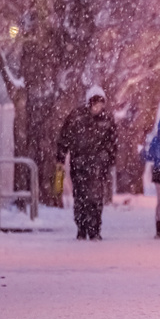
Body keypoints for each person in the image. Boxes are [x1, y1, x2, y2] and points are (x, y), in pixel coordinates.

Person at [56, 85, 118, 240]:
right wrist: (60, 157)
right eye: (95, 104)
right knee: (81, 197)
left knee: (96, 199)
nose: (97, 107)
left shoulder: (107, 119)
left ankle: (95, 229)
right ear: (89, 103)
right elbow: (65, 137)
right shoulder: (76, 117)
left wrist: (108, 159)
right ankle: (82, 228)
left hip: (98, 166)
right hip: (80, 165)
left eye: (100, 104)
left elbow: (113, 142)